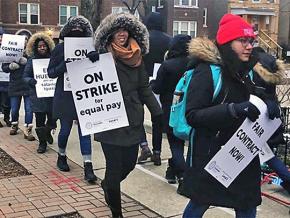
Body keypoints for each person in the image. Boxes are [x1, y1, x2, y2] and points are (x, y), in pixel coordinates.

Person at [182, 14, 275, 217]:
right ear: (226, 42)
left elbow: (253, 94)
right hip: (212, 154)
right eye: (242, 41)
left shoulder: (246, 71)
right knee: (200, 203)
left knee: (247, 205)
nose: (249, 46)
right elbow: (193, 115)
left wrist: (268, 103)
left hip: (242, 153)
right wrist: (233, 110)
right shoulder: (207, 71)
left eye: (251, 41)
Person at [92, 13, 162, 217]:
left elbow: (144, 87)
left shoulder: (137, 56)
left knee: (130, 163)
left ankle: (108, 185)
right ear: (109, 34)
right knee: (114, 169)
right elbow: (82, 78)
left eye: (125, 30)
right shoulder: (101, 56)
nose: (122, 34)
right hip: (109, 118)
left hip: (132, 118)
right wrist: (91, 61)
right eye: (117, 30)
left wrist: (157, 112)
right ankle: (117, 212)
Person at [47, 16, 97, 183]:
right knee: (65, 130)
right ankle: (61, 155)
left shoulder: (91, 48)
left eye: (80, 31)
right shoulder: (59, 49)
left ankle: (88, 165)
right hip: (65, 95)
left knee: (85, 132)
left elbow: (99, 71)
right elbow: (50, 72)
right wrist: (64, 65)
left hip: (84, 95)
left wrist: (95, 59)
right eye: (73, 30)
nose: (77, 33)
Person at [150, 34, 191, 193]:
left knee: (176, 145)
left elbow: (157, 88)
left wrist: (152, 82)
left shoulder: (167, 65)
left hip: (171, 108)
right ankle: (172, 170)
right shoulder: (194, 65)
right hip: (190, 108)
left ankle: (182, 176)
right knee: (185, 145)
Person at [251, 46, 290, 194]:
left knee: (262, 154)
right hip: (271, 113)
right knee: (267, 154)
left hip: (256, 113)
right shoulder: (272, 63)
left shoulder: (252, 64)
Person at [137, 12, 172, 165]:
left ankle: (144, 145)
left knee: (137, 116)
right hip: (160, 82)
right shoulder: (169, 40)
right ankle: (157, 152)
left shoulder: (142, 40)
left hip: (141, 81)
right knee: (157, 119)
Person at [23, 32, 56, 153]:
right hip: (38, 96)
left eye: (44, 46)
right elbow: (25, 76)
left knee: (53, 119)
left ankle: (48, 132)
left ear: (48, 46)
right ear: (35, 48)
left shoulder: (53, 58)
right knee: (40, 120)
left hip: (51, 95)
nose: (42, 48)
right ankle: (42, 144)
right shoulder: (31, 61)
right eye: (39, 46)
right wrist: (30, 81)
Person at [2, 32, 35, 140]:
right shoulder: (10, 52)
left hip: (27, 85)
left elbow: (37, 67)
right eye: (22, 39)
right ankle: (14, 124)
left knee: (29, 109)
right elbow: (4, 67)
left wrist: (28, 62)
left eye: (26, 39)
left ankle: (28, 129)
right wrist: (10, 66)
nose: (24, 41)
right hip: (15, 84)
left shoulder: (31, 53)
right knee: (14, 109)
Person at [0, 27, 11, 128]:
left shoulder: (10, 49)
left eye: (1, 36)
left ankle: (7, 117)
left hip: (8, 78)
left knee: (8, 101)